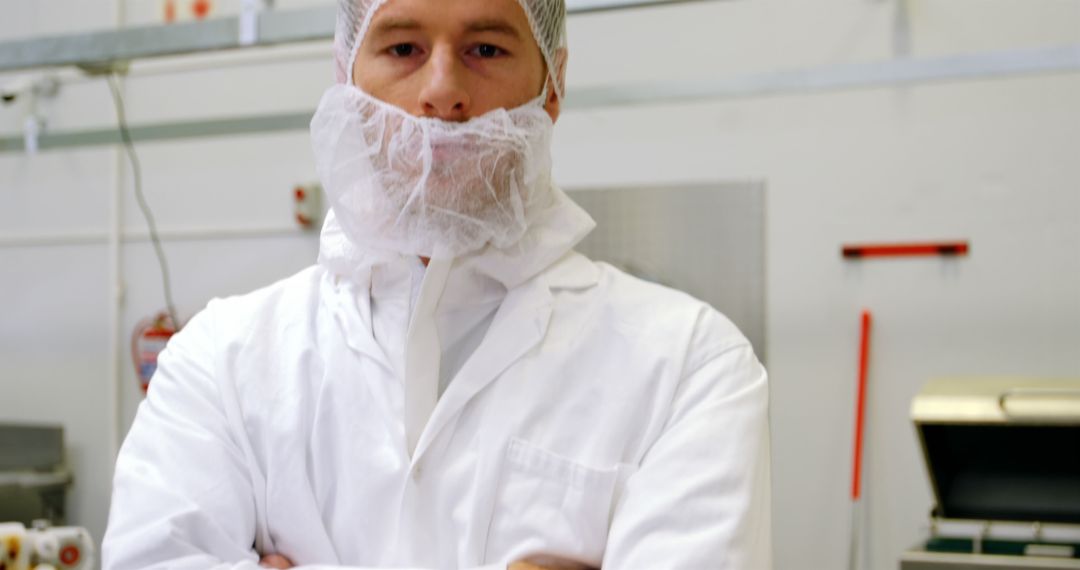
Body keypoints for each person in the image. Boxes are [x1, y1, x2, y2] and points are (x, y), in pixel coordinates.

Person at [102, 0, 772, 567]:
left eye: (485, 47)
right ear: (346, 77)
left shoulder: (690, 367)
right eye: (401, 48)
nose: (442, 89)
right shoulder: (221, 364)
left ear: (554, 83)